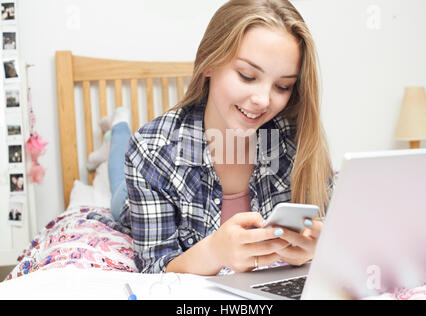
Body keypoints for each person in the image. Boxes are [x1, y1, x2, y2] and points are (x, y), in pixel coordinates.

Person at [102, 0, 332, 275]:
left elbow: (335, 235)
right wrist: (214, 251)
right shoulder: (151, 151)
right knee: (117, 183)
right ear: (209, 64)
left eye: (282, 86)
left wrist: (317, 249)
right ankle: (118, 127)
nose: (262, 100)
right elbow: (156, 267)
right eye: (247, 76)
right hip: (129, 195)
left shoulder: (294, 139)